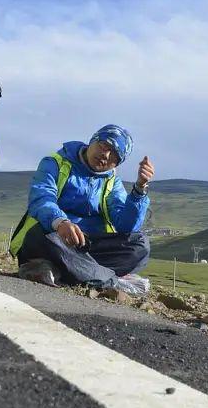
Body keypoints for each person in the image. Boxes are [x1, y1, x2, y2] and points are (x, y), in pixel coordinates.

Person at [10, 124, 155, 294]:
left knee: (140, 245)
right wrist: (61, 223)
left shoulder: (112, 182)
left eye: (114, 155)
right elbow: (41, 199)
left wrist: (139, 190)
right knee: (48, 238)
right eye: (104, 146)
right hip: (51, 236)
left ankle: (56, 271)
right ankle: (109, 281)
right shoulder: (55, 163)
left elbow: (126, 227)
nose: (105, 155)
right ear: (92, 141)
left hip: (86, 246)